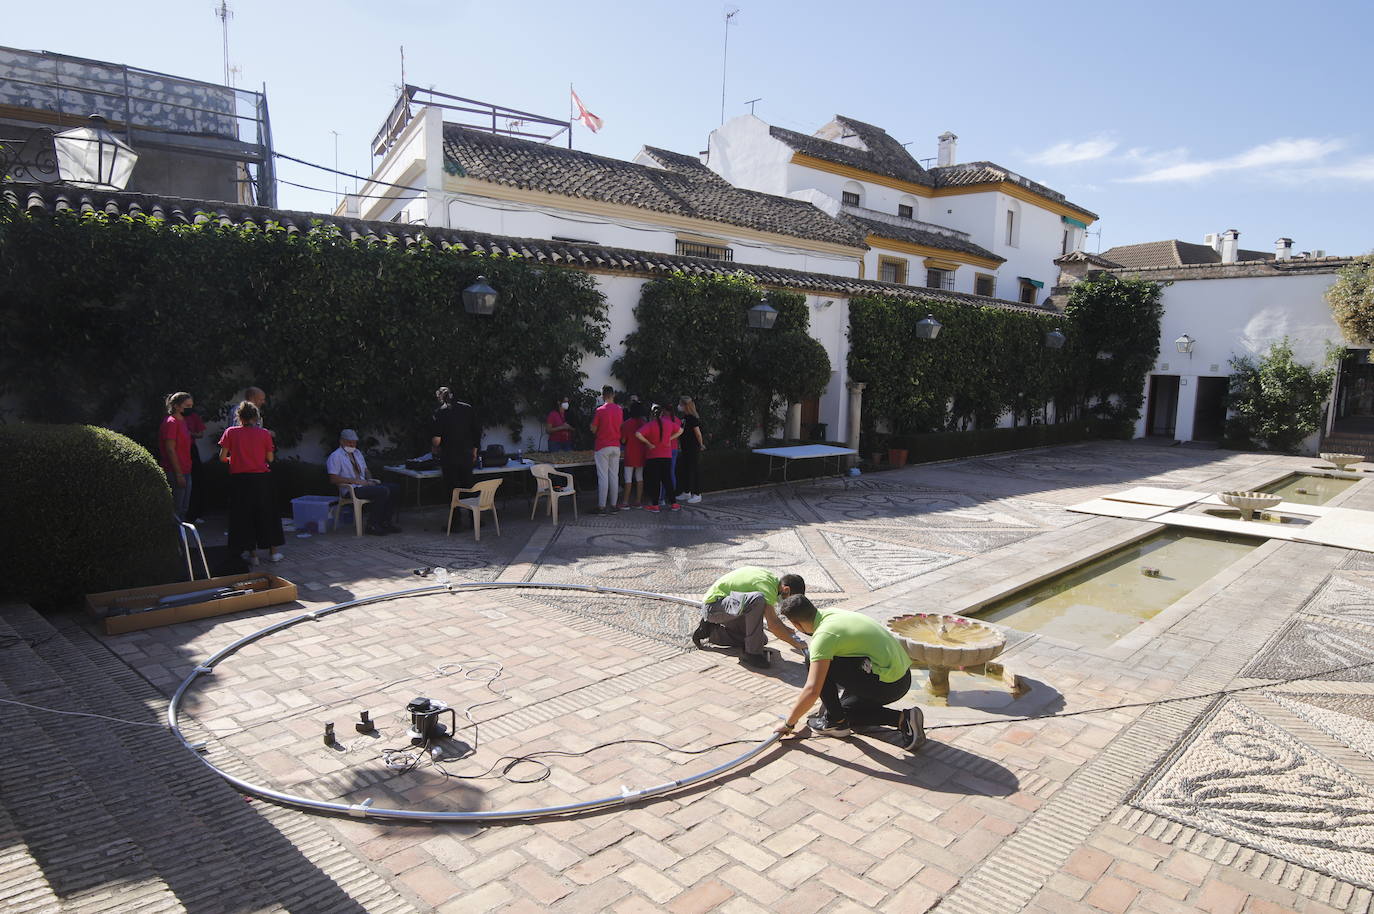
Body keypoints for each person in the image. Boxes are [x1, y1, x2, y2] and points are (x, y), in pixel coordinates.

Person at [772, 595, 925, 751]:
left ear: (796, 624)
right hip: (902, 677)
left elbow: (812, 689)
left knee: (812, 659)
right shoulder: (832, 614)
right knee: (845, 710)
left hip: (889, 685)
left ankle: (836, 723)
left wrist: (789, 723)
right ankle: (903, 719)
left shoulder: (823, 637)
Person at [695, 567, 809, 669]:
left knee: (760, 640)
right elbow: (773, 625)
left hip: (728, 608)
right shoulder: (766, 586)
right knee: (757, 600)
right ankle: (752, 655)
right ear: (786, 590)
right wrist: (796, 644)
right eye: (790, 600)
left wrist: (786, 629)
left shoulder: (772, 582)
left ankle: (711, 631)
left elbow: (772, 618)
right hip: (713, 608)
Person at [218, 401, 284, 565]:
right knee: (267, 514)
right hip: (262, 480)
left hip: (239, 481)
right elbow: (270, 458)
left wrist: (234, 459)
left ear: (238, 417)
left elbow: (222, 458)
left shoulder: (230, 432)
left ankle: (252, 554)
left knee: (243, 517)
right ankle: (273, 552)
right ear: (256, 417)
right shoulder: (264, 434)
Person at [326, 429, 402, 535]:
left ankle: (385, 522)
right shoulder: (335, 456)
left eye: (354, 442)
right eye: (349, 442)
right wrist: (356, 482)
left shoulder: (357, 453)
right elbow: (333, 478)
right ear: (341, 441)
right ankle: (372, 525)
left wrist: (370, 479)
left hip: (363, 485)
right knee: (382, 491)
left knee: (394, 488)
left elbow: (366, 470)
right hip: (351, 489)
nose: (352, 445)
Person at [430, 387, 480, 494]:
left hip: (449, 456)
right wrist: (475, 451)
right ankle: (472, 509)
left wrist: (434, 448)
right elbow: (476, 432)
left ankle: (456, 510)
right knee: (468, 484)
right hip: (467, 454)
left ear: (440, 397)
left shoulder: (440, 412)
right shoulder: (468, 408)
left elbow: (437, 440)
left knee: (452, 488)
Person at [635, 403, 682, 512]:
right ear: (662, 413)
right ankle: (674, 503)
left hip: (653, 456)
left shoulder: (650, 425)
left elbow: (638, 434)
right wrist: (670, 439)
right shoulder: (669, 423)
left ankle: (655, 505)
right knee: (667, 480)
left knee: (655, 481)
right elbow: (680, 430)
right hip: (666, 456)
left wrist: (648, 443)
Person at [159, 392, 195, 520]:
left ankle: (180, 538)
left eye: (191, 405)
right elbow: (170, 449)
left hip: (186, 469)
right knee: (176, 509)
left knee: (183, 508)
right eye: (187, 406)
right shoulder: (172, 423)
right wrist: (178, 474)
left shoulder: (182, 421)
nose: (190, 408)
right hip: (175, 470)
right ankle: (173, 538)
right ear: (177, 406)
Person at [590, 385, 622, 515]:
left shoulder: (600, 410)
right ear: (613, 395)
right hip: (616, 445)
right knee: (614, 476)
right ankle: (614, 505)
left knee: (603, 477)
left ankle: (602, 506)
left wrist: (591, 427)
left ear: (603, 396)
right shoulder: (620, 410)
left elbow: (594, 429)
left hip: (602, 445)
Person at [618, 400, 648, 509]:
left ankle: (625, 502)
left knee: (628, 479)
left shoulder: (626, 424)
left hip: (630, 453)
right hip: (641, 453)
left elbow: (623, 440)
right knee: (640, 477)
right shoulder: (644, 423)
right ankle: (638, 501)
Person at [677, 396, 705, 504]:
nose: (679, 406)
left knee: (695, 470)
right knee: (686, 470)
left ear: (685, 405)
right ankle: (686, 491)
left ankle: (697, 494)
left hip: (693, 448)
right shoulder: (685, 418)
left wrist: (701, 444)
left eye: (680, 404)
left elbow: (698, 433)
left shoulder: (693, 418)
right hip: (686, 448)